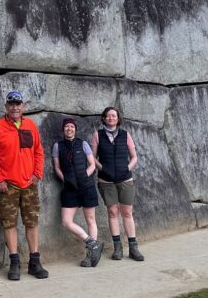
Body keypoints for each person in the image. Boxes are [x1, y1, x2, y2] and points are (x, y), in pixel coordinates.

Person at [0, 90, 49, 280]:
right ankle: (14, 263)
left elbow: (38, 151)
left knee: (32, 222)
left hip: (29, 184)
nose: (15, 107)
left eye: (18, 104)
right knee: (9, 223)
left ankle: (34, 262)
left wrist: (37, 173)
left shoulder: (30, 125)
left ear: (23, 107)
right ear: (6, 107)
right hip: (8, 186)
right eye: (11, 104)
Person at [91, 107, 145, 261]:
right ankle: (117, 248)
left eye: (113, 115)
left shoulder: (125, 135)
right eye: (108, 116)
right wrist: (102, 168)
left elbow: (134, 156)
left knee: (127, 212)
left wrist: (127, 168)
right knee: (113, 212)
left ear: (118, 118)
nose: (111, 118)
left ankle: (133, 248)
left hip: (125, 179)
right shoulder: (98, 135)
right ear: (104, 118)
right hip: (106, 180)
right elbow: (92, 157)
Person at [52, 118, 104, 267]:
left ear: (75, 129)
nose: (69, 129)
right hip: (69, 188)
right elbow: (57, 167)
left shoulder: (83, 144)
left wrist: (85, 176)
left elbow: (92, 164)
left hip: (86, 186)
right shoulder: (57, 146)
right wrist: (65, 179)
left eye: (72, 127)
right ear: (63, 129)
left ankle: (90, 256)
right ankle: (92, 243)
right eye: (67, 127)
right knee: (66, 222)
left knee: (91, 220)